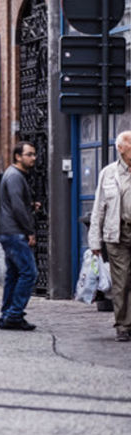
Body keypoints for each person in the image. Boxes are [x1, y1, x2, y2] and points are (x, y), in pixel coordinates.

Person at [89, 131, 131, 342]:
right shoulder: (108, 173)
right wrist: (94, 241)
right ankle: (123, 325)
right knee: (121, 281)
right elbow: (99, 208)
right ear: (121, 148)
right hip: (117, 235)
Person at [0, 142, 41, 331]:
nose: (33, 158)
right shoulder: (15, 176)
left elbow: (16, 203)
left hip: (9, 231)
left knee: (14, 274)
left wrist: (30, 205)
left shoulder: (12, 175)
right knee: (29, 273)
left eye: (34, 154)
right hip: (15, 232)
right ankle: (14, 314)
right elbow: (16, 207)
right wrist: (29, 231)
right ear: (18, 156)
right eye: (29, 154)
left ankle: (7, 315)